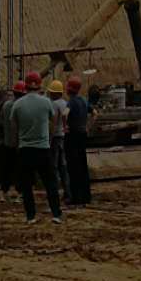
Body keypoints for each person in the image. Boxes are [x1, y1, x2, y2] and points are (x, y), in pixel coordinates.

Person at [9, 71, 63, 225]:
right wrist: (49, 139)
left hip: (25, 149)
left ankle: (30, 216)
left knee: (27, 185)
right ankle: (56, 214)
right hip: (43, 148)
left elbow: (14, 128)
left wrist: (17, 145)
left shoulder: (17, 105)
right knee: (50, 183)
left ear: (25, 86)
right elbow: (53, 122)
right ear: (40, 85)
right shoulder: (46, 103)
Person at [64, 75, 92, 207]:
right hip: (82, 135)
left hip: (72, 136)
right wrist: (88, 127)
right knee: (83, 165)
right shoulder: (84, 101)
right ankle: (86, 196)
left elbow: (64, 114)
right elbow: (95, 113)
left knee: (73, 167)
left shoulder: (71, 102)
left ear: (69, 89)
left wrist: (65, 126)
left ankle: (75, 197)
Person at [47, 79, 72, 205]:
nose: (50, 94)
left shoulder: (54, 104)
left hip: (56, 137)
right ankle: (67, 192)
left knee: (54, 166)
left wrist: (49, 138)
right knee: (63, 166)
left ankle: (55, 193)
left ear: (55, 93)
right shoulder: (65, 103)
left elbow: (54, 122)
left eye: (51, 92)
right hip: (63, 137)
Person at [0, 79, 25, 200]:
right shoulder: (21, 106)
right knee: (20, 169)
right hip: (19, 143)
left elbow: (1, 121)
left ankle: (4, 193)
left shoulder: (6, 105)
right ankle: (19, 193)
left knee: (7, 168)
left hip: (7, 142)